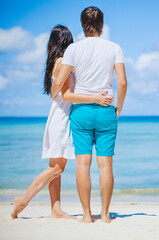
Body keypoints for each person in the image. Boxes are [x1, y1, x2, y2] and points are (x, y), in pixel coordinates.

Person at [11, 25, 113, 219]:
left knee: (55, 165)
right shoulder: (62, 62)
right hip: (63, 116)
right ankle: (22, 200)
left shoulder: (56, 62)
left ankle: (55, 209)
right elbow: (67, 96)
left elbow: (57, 91)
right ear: (66, 42)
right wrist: (95, 98)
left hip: (58, 114)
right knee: (57, 167)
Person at [51, 6, 127, 223]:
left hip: (81, 112)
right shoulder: (114, 48)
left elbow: (59, 82)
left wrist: (54, 92)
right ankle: (104, 215)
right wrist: (119, 106)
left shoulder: (73, 49)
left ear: (83, 25)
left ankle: (86, 215)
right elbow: (122, 82)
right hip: (106, 110)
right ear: (101, 25)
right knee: (106, 164)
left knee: (83, 164)